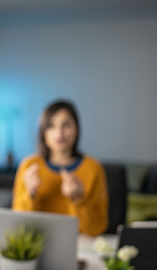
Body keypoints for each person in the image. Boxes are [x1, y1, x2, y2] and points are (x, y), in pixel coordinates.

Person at [11, 100, 108, 236]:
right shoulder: (29, 165)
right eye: (51, 126)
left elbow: (96, 228)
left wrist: (78, 198)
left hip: (80, 248)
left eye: (66, 125)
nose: (59, 132)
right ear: (43, 132)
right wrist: (31, 194)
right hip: (38, 247)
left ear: (77, 129)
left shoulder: (94, 168)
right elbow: (18, 226)